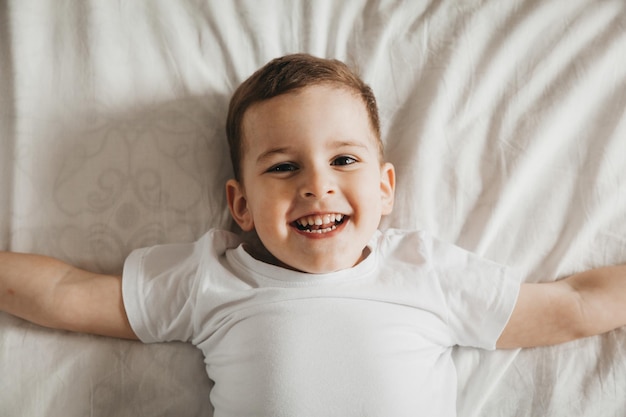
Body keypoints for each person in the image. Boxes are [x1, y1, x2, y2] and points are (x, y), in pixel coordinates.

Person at [1, 53, 625, 416]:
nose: (316, 186)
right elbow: (65, 292)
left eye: (344, 161)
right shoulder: (213, 278)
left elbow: (571, 305)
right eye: (283, 166)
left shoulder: (424, 272)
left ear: (385, 189)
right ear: (240, 204)